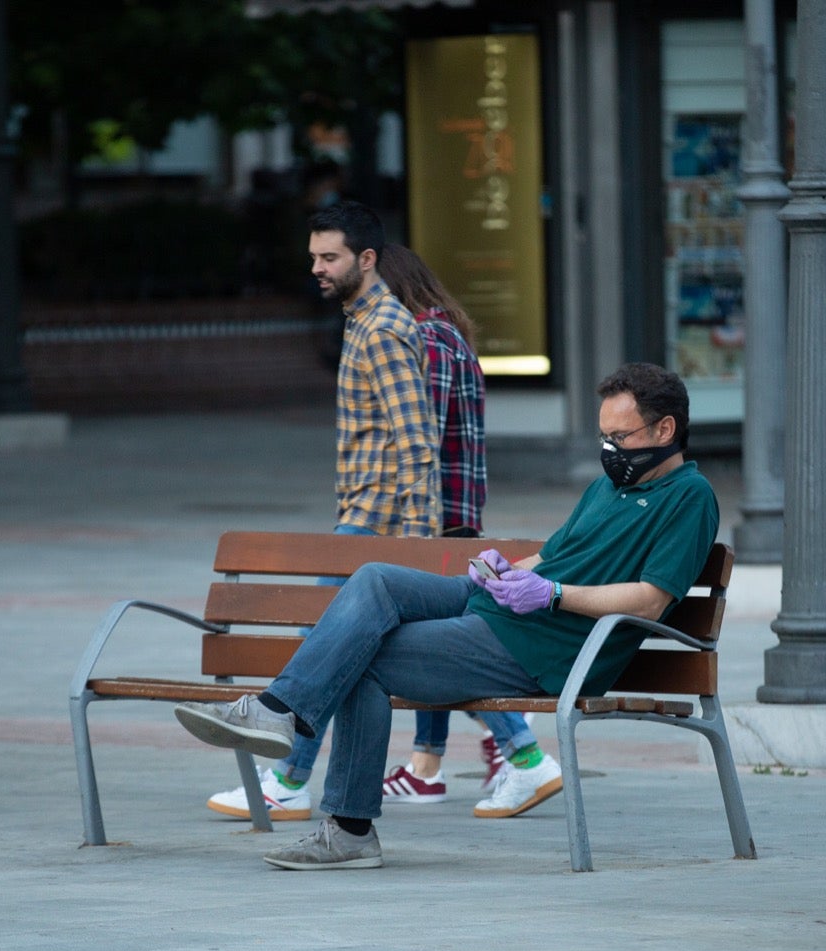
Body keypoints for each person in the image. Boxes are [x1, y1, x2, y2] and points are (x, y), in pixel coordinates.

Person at [173, 363, 720, 870]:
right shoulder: (610, 486)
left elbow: (650, 600)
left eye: (619, 438)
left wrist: (551, 595)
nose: (608, 449)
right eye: (604, 436)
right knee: (375, 578)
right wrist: (506, 570)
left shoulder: (689, 497)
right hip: (504, 609)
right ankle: (277, 713)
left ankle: (347, 827)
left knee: (363, 659)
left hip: (546, 647)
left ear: (664, 430)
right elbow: (554, 554)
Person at [201, 206, 559, 824]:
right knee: (361, 643)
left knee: (327, 636)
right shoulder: (375, 325)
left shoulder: (394, 330)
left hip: (381, 523)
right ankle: (513, 757)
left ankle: (289, 775)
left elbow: (418, 441)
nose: (316, 268)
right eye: (313, 257)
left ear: (369, 262)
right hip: (377, 518)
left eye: (329, 257)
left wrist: (416, 540)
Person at [371, 242, 549, 805]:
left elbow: (420, 437)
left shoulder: (425, 338)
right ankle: (427, 765)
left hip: (435, 518)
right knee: (434, 638)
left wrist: (401, 516)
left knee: (438, 644)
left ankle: (520, 746)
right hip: (455, 514)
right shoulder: (447, 332)